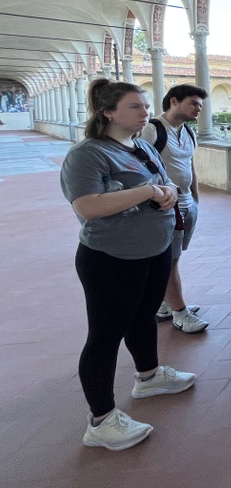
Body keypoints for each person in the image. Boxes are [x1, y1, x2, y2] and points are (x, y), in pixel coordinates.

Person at [60, 79, 196, 451]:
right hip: (111, 259)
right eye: (135, 106)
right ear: (108, 112)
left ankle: (148, 376)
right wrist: (151, 192)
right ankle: (101, 420)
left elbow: (164, 181)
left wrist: (166, 192)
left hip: (153, 251)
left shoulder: (141, 146)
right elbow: (88, 206)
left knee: (143, 317)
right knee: (104, 336)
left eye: (146, 106)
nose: (145, 112)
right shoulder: (88, 154)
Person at [140, 84, 209, 333]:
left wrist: (196, 199)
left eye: (200, 105)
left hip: (187, 204)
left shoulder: (187, 132)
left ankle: (164, 304)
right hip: (165, 206)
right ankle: (180, 313)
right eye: (193, 103)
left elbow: (190, 167)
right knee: (168, 261)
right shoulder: (153, 130)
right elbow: (139, 168)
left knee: (174, 258)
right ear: (174, 102)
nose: (198, 109)